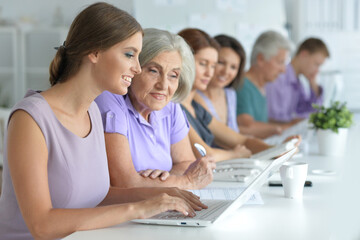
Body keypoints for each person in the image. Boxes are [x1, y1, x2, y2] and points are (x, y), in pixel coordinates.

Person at [0, 3, 206, 240]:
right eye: (129, 54)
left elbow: (97, 195)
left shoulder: (92, 115)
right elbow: (42, 225)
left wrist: (165, 194)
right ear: (94, 52)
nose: (137, 68)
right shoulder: (30, 119)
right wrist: (139, 207)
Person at [95, 28, 215, 190]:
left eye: (173, 75)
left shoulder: (171, 107)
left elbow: (186, 163)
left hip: (158, 205)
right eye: (153, 71)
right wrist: (187, 182)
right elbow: (125, 182)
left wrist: (163, 178)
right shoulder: (110, 98)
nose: (163, 85)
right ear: (133, 69)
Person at [178, 28, 279, 160]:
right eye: (203, 64)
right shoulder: (176, 107)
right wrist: (235, 154)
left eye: (213, 65)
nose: (210, 73)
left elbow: (241, 140)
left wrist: (278, 151)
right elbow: (205, 154)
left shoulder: (196, 107)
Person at [236, 30, 294, 139]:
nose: (283, 70)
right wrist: (285, 127)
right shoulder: (243, 86)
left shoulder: (261, 87)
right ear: (261, 59)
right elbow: (247, 126)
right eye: (280, 62)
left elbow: (261, 122)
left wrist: (291, 123)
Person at [266, 38, 330, 123]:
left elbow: (313, 112)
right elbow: (272, 119)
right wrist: (296, 122)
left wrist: (313, 84)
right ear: (304, 55)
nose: (317, 70)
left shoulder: (298, 84)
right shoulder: (277, 78)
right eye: (316, 64)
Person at [194, 34, 246, 133]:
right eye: (221, 62)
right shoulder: (194, 96)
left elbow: (235, 133)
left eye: (233, 67)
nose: (226, 72)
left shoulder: (230, 94)